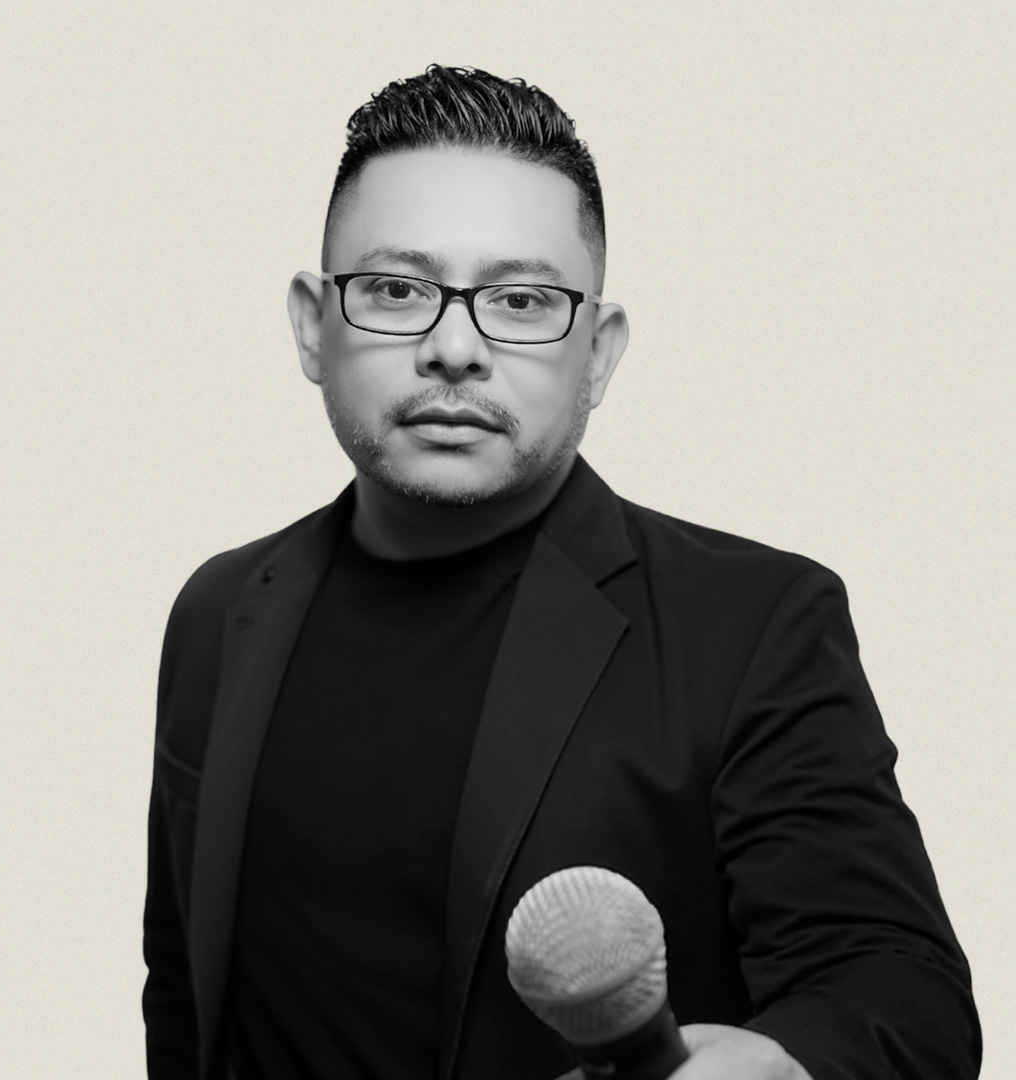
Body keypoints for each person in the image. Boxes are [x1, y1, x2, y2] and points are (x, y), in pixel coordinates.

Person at [142, 66, 980, 1080]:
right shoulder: (221, 609)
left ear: (600, 352)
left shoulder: (752, 625)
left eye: (522, 300)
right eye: (397, 290)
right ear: (314, 325)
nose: (455, 348)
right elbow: (184, 991)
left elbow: (898, 990)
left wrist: (783, 1063)